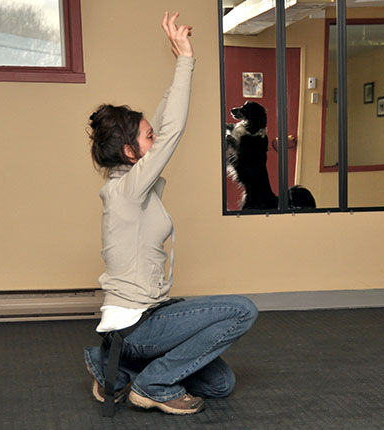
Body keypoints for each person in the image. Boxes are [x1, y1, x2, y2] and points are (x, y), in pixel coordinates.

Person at [83, 12, 258, 416]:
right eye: (147, 138)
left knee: (220, 383)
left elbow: (162, 122)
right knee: (242, 310)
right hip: (137, 324)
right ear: (131, 152)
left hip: (146, 320)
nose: (155, 138)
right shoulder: (125, 191)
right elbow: (172, 129)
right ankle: (153, 384)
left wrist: (178, 56)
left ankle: (113, 365)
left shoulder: (130, 180)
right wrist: (186, 61)